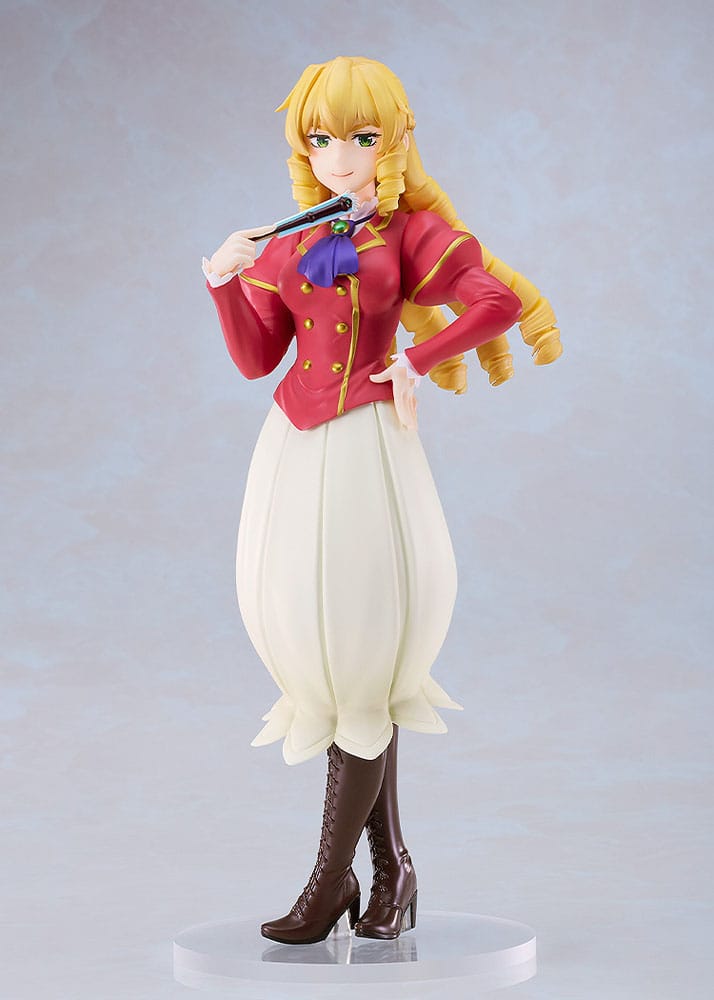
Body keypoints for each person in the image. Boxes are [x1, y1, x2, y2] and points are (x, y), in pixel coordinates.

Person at [203, 56, 561, 945]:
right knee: (328, 654)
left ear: (393, 142)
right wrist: (222, 281)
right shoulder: (286, 243)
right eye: (320, 139)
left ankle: (330, 885)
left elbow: (493, 301)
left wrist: (417, 360)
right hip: (295, 448)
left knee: (363, 653)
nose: (340, 156)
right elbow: (256, 358)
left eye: (360, 138)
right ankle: (393, 867)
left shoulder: (410, 234)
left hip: (365, 446)